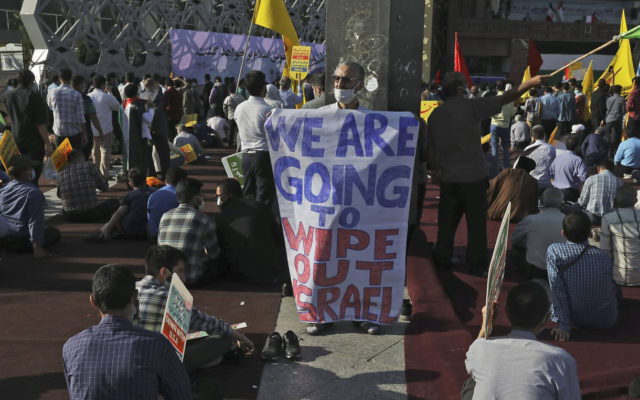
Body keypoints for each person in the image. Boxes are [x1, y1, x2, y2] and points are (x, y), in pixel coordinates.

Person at [428, 71, 545, 276]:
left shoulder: (435, 115)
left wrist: (435, 170)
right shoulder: (471, 107)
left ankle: (442, 259)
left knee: (446, 224)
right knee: (476, 225)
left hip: (448, 178)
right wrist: (530, 83)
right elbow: (506, 98)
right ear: (459, 90)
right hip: (473, 178)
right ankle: (476, 264)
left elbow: (431, 149)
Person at [62, 264, 191, 400]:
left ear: (93, 302)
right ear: (135, 297)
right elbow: (182, 395)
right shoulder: (157, 345)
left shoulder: (71, 347)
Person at [136, 245, 254, 372]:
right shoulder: (167, 296)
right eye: (180, 271)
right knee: (224, 339)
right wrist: (238, 336)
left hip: (134, 358)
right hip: (160, 363)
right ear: (164, 273)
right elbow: (206, 322)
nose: (184, 278)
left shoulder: (132, 288)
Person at [463, 281, 581, 400]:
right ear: (545, 319)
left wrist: (485, 327)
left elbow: (473, 362)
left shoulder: (480, 348)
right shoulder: (561, 360)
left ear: (507, 313)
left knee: (472, 382)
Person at [546, 212, 619, 341]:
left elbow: (557, 288)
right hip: (606, 320)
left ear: (563, 233)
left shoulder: (554, 251)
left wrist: (564, 325)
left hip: (573, 319)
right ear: (590, 232)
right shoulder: (603, 256)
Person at [215, 178, 288, 283]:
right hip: (272, 267)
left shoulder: (221, 218)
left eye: (219, 196)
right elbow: (277, 236)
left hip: (241, 273)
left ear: (227, 196)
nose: (218, 201)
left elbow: (219, 248)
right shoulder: (261, 207)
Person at [158, 178, 223, 287]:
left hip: (166, 278)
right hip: (191, 279)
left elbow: (161, 246)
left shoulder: (165, 216)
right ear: (195, 198)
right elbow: (214, 253)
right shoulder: (203, 219)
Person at [0, 155, 60, 257]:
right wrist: (37, 247)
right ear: (25, 173)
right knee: (53, 232)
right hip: (21, 237)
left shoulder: (4, 189)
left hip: (5, 234)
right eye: (30, 168)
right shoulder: (33, 193)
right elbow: (35, 220)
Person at [234, 70, 277, 209]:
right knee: (264, 196)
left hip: (246, 155)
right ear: (263, 88)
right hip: (263, 155)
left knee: (247, 193)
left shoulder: (239, 108)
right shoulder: (268, 110)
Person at [4, 69, 53, 184]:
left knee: (20, 171)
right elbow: (40, 123)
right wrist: (47, 143)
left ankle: (22, 193)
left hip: (17, 138)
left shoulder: (8, 95)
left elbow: (9, 118)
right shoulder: (34, 96)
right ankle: (32, 193)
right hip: (34, 140)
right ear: (31, 81)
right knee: (33, 171)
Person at [512, 187, 565, 279]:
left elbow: (514, 240)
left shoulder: (531, 220)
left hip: (537, 270)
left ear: (542, 202)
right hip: (563, 269)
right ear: (562, 203)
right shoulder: (568, 221)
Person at [57, 149, 119, 222]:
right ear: (80, 157)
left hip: (70, 216)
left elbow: (59, 195)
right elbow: (105, 187)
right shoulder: (90, 166)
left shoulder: (61, 173)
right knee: (114, 202)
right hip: (91, 213)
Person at [91, 168, 150, 241]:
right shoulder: (154, 192)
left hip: (131, 230)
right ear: (145, 180)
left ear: (130, 183)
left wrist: (108, 227)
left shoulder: (130, 195)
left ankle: (106, 230)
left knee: (116, 212)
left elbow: (119, 213)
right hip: (147, 229)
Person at [600, 185, 640, 286]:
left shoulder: (608, 218)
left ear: (615, 200)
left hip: (620, 277)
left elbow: (604, 250)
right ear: (636, 201)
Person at [486, 156, 539, 223]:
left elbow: (489, 189)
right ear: (530, 169)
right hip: (519, 218)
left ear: (517, 165)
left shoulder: (508, 172)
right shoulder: (533, 181)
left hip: (497, 213)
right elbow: (533, 205)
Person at [88, 75, 121, 177]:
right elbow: (117, 107)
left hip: (92, 128)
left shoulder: (88, 96)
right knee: (105, 151)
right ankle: (104, 174)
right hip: (106, 128)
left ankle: (95, 173)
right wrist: (110, 92)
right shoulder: (106, 96)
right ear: (103, 84)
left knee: (94, 151)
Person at [46, 69, 87, 149]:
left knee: (61, 160)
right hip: (74, 132)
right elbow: (80, 118)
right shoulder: (77, 94)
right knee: (74, 159)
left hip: (59, 132)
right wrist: (84, 134)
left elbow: (50, 106)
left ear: (59, 78)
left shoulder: (52, 92)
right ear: (71, 78)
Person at [140, 78, 171, 179]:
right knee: (164, 153)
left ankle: (151, 175)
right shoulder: (159, 94)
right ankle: (166, 175)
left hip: (147, 129)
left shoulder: (142, 95)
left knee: (147, 154)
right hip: (159, 128)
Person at [577, 159, 622, 225]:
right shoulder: (620, 182)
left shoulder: (591, 179)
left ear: (598, 168)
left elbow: (582, 202)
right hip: (611, 219)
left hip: (592, 217)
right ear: (612, 169)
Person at [147, 167, 187, 239]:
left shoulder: (153, 195)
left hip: (154, 234)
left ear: (165, 180)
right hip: (172, 235)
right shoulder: (182, 196)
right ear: (182, 182)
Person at [122, 84, 150, 175]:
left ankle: (130, 176)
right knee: (142, 157)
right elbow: (149, 119)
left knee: (129, 158)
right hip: (140, 134)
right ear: (136, 93)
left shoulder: (122, 105)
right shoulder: (141, 104)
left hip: (126, 135)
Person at [549, 134, 587, 202]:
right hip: (571, 193)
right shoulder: (578, 160)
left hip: (556, 191)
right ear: (578, 146)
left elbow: (550, 174)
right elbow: (583, 179)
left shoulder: (557, 158)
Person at [71, 75, 101, 159]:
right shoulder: (85, 98)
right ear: (80, 84)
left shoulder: (63, 96)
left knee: (65, 162)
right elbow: (93, 117)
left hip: (64, 133)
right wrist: (100, 131)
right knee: (83, 158)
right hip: (84, 132)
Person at [489, 81, 517, 168]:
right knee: (505, 147)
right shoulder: (509, 99)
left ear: (496, 88)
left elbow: (490, 113)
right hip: (505, 125)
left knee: (494, 147)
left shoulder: (494, 99)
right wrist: (516, 108)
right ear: (505, 87)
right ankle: (506, 166)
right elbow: (512, 113)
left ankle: (495, 166)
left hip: (494, 124)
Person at [523, 125, 556, 194]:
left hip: (531, 182)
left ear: (533, 136)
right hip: (547, 183)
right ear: (544, 135)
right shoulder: (551, 149)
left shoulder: (528, 149)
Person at [222, 82, 246, 148]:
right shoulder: (240, 97)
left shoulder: (227, 98)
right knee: (238, 131)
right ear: (235, 89)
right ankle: (237, 143)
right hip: (239, 116)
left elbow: (224, 108)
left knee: (231, 131)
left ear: (229, 90)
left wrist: (227, 114)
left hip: (231, 116)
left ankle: (230, 144)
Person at [605, 85, 626, 159]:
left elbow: (607, 109)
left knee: (607, 137)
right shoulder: (622, 99)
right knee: (614, 138)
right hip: (616, 120)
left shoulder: (609, 99)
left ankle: (606, 151)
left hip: (608, 120)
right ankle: (611, 153)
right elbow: (624, 111)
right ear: (620, 91)